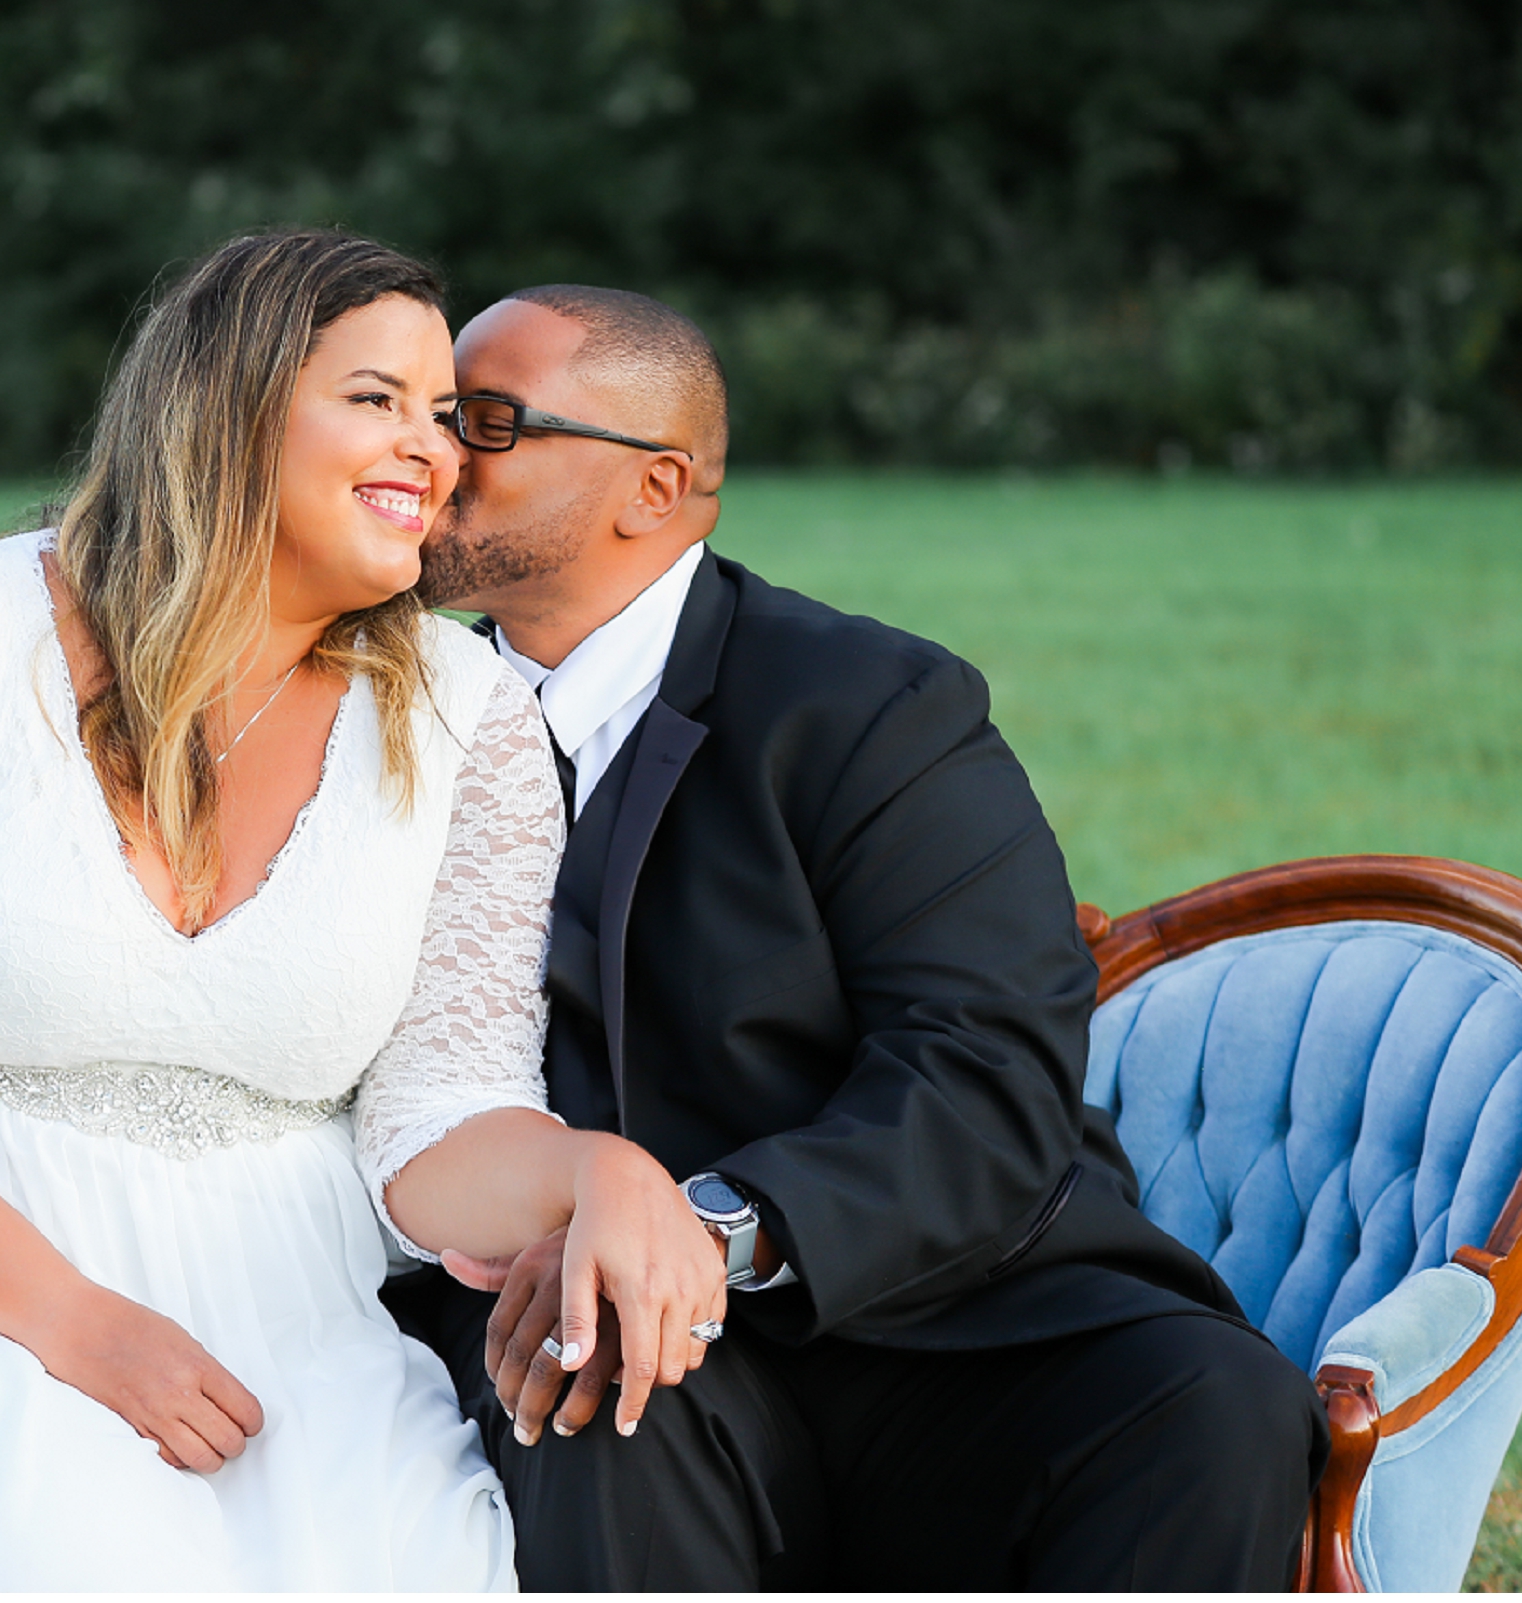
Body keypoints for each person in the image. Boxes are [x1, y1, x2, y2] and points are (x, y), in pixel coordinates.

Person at [0, 233, 717, 1590]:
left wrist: (596, 1172)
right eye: (378, 398)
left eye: (447, 418)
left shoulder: (476, 726)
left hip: (280, 1325)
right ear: (225, 401)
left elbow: (433, 1114)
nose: (436, 451)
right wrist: (80, 1324)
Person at [390, 284, 1331, 1590]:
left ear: (652, 488)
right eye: (434, 414)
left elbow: (983, 1069)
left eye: (486, 420)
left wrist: (705, 1232)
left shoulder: (867, 707)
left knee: (1207, 1406)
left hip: (954, 1315)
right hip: (584, 1337)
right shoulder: (382, 723)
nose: (433, 455)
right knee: (593, 1388)